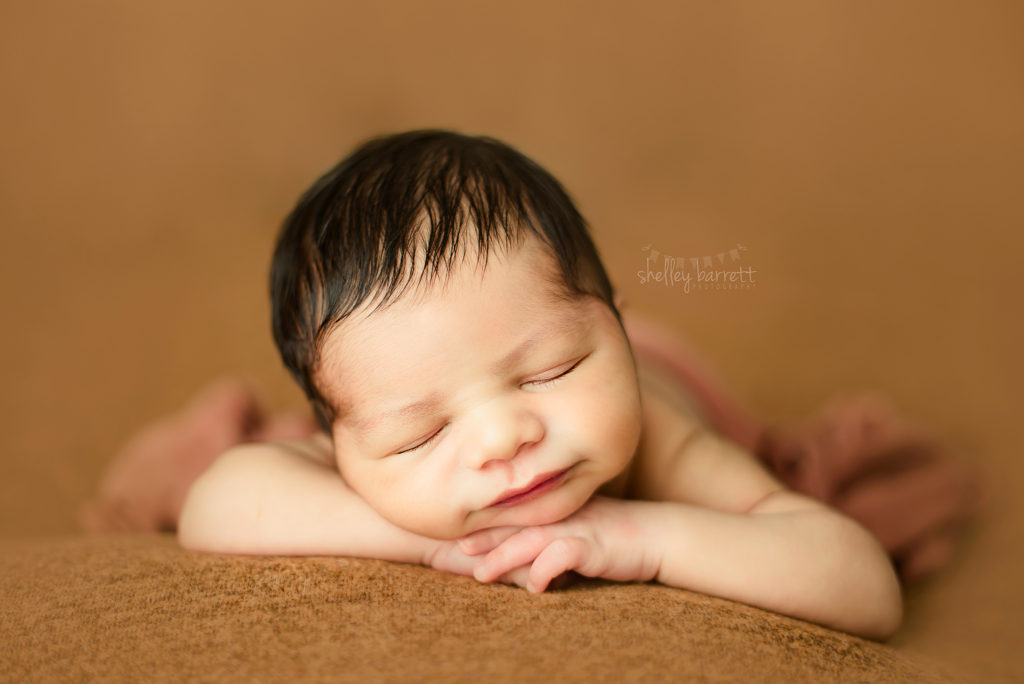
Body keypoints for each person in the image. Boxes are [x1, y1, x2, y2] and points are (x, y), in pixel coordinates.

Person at [81, 130, 982, 641]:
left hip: (675, 377)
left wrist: (638, 533)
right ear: (341, 443)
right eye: (417, 437)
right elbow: (217, 501)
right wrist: (424, 540)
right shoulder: (372, 444)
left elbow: (861, 584)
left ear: (614, 331)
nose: (501, 438)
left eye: (550, 372)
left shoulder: (657, 439)